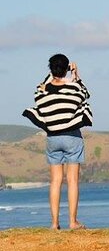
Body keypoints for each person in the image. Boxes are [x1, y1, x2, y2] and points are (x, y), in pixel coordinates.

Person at [23, 54, 93, 230]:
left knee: (55, 181)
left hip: (53, 138)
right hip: (71, 137)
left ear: (51, 69)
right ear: (66, 68)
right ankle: (72, 221)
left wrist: (52, 75)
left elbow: (40, 87)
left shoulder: (42, 93)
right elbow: (85, 93)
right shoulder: (73, 90)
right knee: (72, 180)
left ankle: (54, 223)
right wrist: (76, 75)